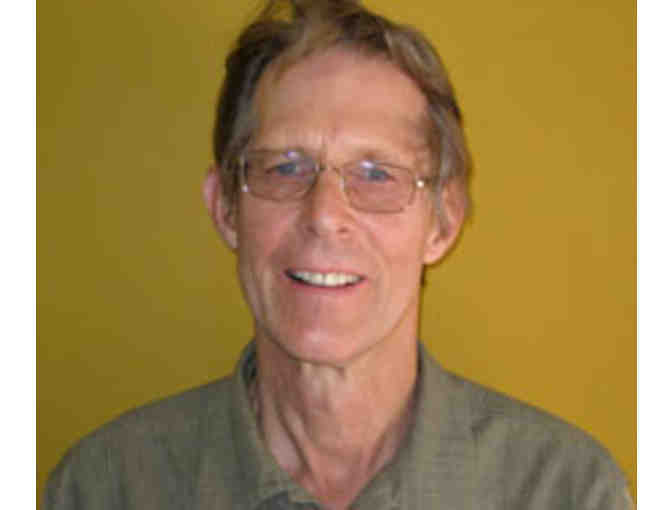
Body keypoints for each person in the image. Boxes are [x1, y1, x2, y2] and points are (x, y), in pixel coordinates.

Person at [43, 1, 632, 508]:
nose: (325, 214)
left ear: (443, 221)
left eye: (376, 174)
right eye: (285, 167)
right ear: (225, 207)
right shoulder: (106, 488)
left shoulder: (564, 491)